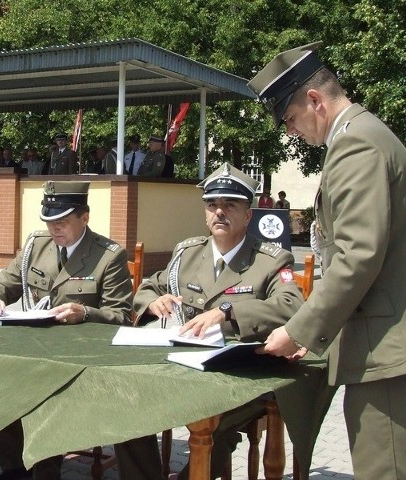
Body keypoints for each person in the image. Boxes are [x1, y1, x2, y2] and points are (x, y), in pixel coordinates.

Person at [249, 42, 406, 480]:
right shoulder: (363, 135)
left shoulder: (356, 144)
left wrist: (297, 329)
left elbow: (358, 256)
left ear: (315, 100)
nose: (291, 133)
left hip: (385, 355)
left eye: (291, 120)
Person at [117, 162, 304, 480]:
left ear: (247, 215)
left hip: (239, 374)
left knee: (215, 422)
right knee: (127, 409)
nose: (220, 212)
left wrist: (229, 312)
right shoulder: (187, 254)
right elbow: (150, 286)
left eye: (230, 205)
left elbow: (291, 303)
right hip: (181, 366)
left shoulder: (271, 259)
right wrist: (152, 302)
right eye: (212, 205)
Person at [0, 180, 133, 480]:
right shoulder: (36, 246)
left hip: (81, 361)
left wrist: (85, 312)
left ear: (84, 217)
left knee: (45, 398)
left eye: (62, 222)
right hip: (34, 351)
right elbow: (2, 283)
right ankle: (14, 470)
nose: (54, 230)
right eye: (49, 222)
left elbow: (122, 317)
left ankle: (45, 473)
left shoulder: (108, 256)